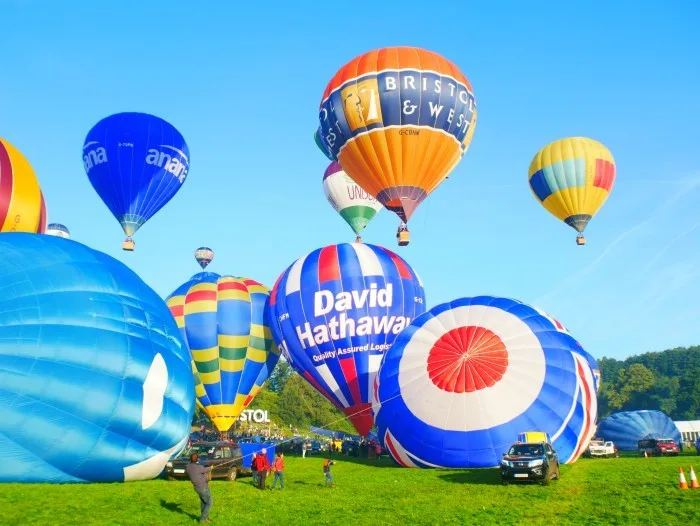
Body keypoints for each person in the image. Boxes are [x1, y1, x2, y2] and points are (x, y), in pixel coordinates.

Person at [185, 453, 213, 524]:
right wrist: (211, 468)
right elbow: (205, 469)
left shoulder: (188, 467)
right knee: (209, 503)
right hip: (203, 487)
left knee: (203, 502)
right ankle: (203, 519)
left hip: (197, 488)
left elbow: (201, 470)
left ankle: (206, 518)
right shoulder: (198, 467)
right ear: (197, 459)